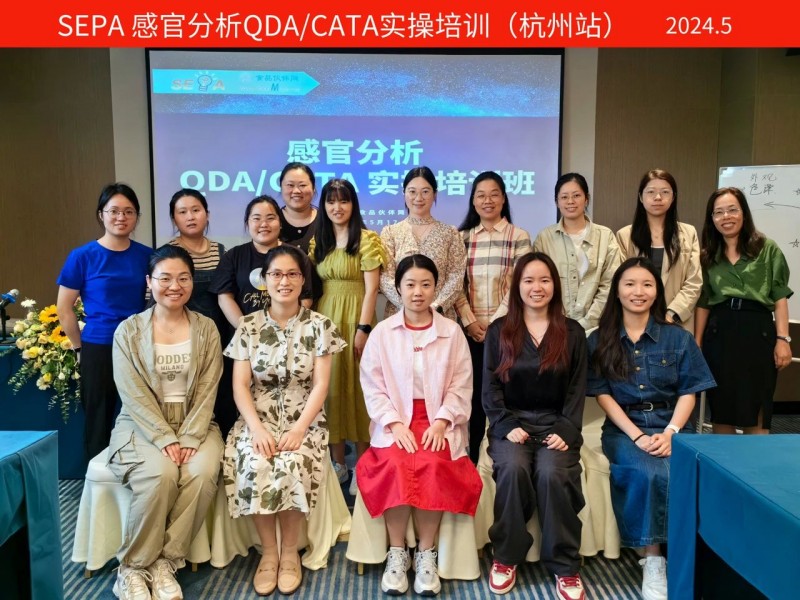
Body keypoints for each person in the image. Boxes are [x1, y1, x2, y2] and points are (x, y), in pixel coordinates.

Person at [587, 258, 715, 600]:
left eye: (647, 284)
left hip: (673, 424)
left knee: (689, 469)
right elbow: (602, 394)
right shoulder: (599, 340)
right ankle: (654, 559)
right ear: (617, 291)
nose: (638, 291)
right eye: (629, 284)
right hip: (624, 429)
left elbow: (690, 390)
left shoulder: (678, 338)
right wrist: (638, 436)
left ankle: (694, 555)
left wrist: (672, 432)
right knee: (648, 471)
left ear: (657, 291)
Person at [222, 244, 346, 596]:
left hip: (304, 418)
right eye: (276, 274)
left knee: (292, 462)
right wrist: (256, 429)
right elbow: (240, 385)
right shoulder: (248, 325)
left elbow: (321, 385)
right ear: (264, 279)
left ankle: (290, 553)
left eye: (292, 274)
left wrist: (299, 428)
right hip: (256, 418)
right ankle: (269, 553)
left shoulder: (320, 325)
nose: (284, 281)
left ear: (303, 280)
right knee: (254, 461)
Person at [357, 254, 482, 596]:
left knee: (434, 463)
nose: (418, 292)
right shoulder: (382, 333)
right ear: (398, 288)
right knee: (395, 464)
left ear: (436, 288)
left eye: (426, 284)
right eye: (410, 284)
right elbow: (373, 385)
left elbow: (461, 384)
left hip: (438, 419)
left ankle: (426, 553)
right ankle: (397, 552)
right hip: (396, 420)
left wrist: (442, 422)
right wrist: (394, 424)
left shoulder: (451, 332)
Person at [107, 245, 224, 600]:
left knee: (202, 472)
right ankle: (132, 568)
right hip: (141, 423)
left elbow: (208, 387)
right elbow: (132, 393)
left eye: (183, 278)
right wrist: (162, 436)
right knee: (160, 474)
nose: (175, 286)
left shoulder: (206, 328)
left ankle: (164, 563)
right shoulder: (128, 331)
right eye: (165, 278)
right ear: (149, 282)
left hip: (194, 421)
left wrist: (189, 435)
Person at [482, 252, 587, 599]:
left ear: (555, 285)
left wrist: (566, 429)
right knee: (513, 469)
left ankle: (565, 566)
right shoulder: (500, 330)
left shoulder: (572, 332)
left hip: (557, 424)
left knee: (553, 473)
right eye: (528, 280)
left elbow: (577, 388)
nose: (536, 287)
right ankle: (506, 556)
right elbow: (490, 388)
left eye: (544, 280)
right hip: (511, 423)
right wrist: (505, 423)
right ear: (517, 286)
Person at [56, 182, 153, 462]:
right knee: (98, 417)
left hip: (138, 347)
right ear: (101, 214)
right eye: (114, 211)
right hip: (98, 346)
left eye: (129, 211)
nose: (121, 217)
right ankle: (98, 480)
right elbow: (64, 308)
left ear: (136, 217)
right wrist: (78, 348)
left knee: (141, 415)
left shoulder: (147, 255)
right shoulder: (82, 256)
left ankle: (139, 474)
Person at [309, 179, 386, 492]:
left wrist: (363, 329)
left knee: (360, 389)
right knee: (330, 389)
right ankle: (338, 464)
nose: (337, 207)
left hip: (357, 316)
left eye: (343, 201)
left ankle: (364, 465)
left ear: (353, 204)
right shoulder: (319, 242)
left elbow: (372, 290)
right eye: (330, 201)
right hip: (325, 317)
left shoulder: (367, 240)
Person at [695, 187, 793, 434]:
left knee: (758, 407)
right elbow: (704, 301)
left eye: (732, 210)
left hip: (758, 331)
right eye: (718, 212)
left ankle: (755, 457)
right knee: (721, 407)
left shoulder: (767, 248)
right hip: (719, 333)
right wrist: (697, 343)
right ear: (712, 218)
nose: (726, 217)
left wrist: (783, 339)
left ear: (744, 213)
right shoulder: (708, 254)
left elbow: (780, 296)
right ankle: (724, 458)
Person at [454, 171, 532, 462]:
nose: (487, 201)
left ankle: (505, 457)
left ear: (503, 198)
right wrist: (470, 321)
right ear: (473, 201)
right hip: (470, 332)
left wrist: (495, 325)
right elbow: (456, 284)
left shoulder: (519, 236)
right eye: (481, 195)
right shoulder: (461, 237)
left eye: (494, 194)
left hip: (507, 331)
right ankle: (473, 458)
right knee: (474, 397)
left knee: (506, 395)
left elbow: (519, 284)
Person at [165, 188, 235, 435]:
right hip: (183, 336)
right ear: (174, 219)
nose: (190, 216)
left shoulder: (220, 250)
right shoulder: (168, 253)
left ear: (207, 214)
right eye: (182, 212)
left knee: (223, 394)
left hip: (219, 334)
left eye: (196, 210)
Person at [209, 195, 315, 329]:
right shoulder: (233, 256)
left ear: (280, 223)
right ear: (247, 223)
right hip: (245, 334)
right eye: (256, 218)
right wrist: (247, 329)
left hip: (289, 332)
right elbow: (225, 297)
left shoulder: (297, 255)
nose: (264, 224)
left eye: (270, 218)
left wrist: (286, 328)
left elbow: (306, 297)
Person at [533, 172, 620, 332]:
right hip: (554, 328)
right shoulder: (544, 238)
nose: (570, 201)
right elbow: (538, 284)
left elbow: (610, 284)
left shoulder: (605, 236)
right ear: (556, 202)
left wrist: (587, 323)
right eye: (564, 197)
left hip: (597, 329)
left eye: (576, 195)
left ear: (586, 199)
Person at [616, 169, 702, 332]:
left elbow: (694, 281)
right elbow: (621, 282)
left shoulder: (688, 233)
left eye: (665, 192)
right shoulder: (625, 236)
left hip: (676, 323)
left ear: (673, 197)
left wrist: (671, 314)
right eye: (651, 192)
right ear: (641, 197)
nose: (658, 197)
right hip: (635, 323)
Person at [380, 166, 467, 321]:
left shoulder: (450, 233)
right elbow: (386, 278)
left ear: (435, 194)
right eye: (412, 191)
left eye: (425, 191)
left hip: (440, 317)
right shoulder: (390, 233)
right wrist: (410, 307)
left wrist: (435, 307)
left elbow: (456, 277)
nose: (418, 198)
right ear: (404, 194)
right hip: (399, 316)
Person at [278, 162, 318, 253]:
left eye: (302, 185)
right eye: (290, 185)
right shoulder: (272, 221)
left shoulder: (326, 221)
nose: (296, 191)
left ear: (313, 188)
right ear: (281, 188)